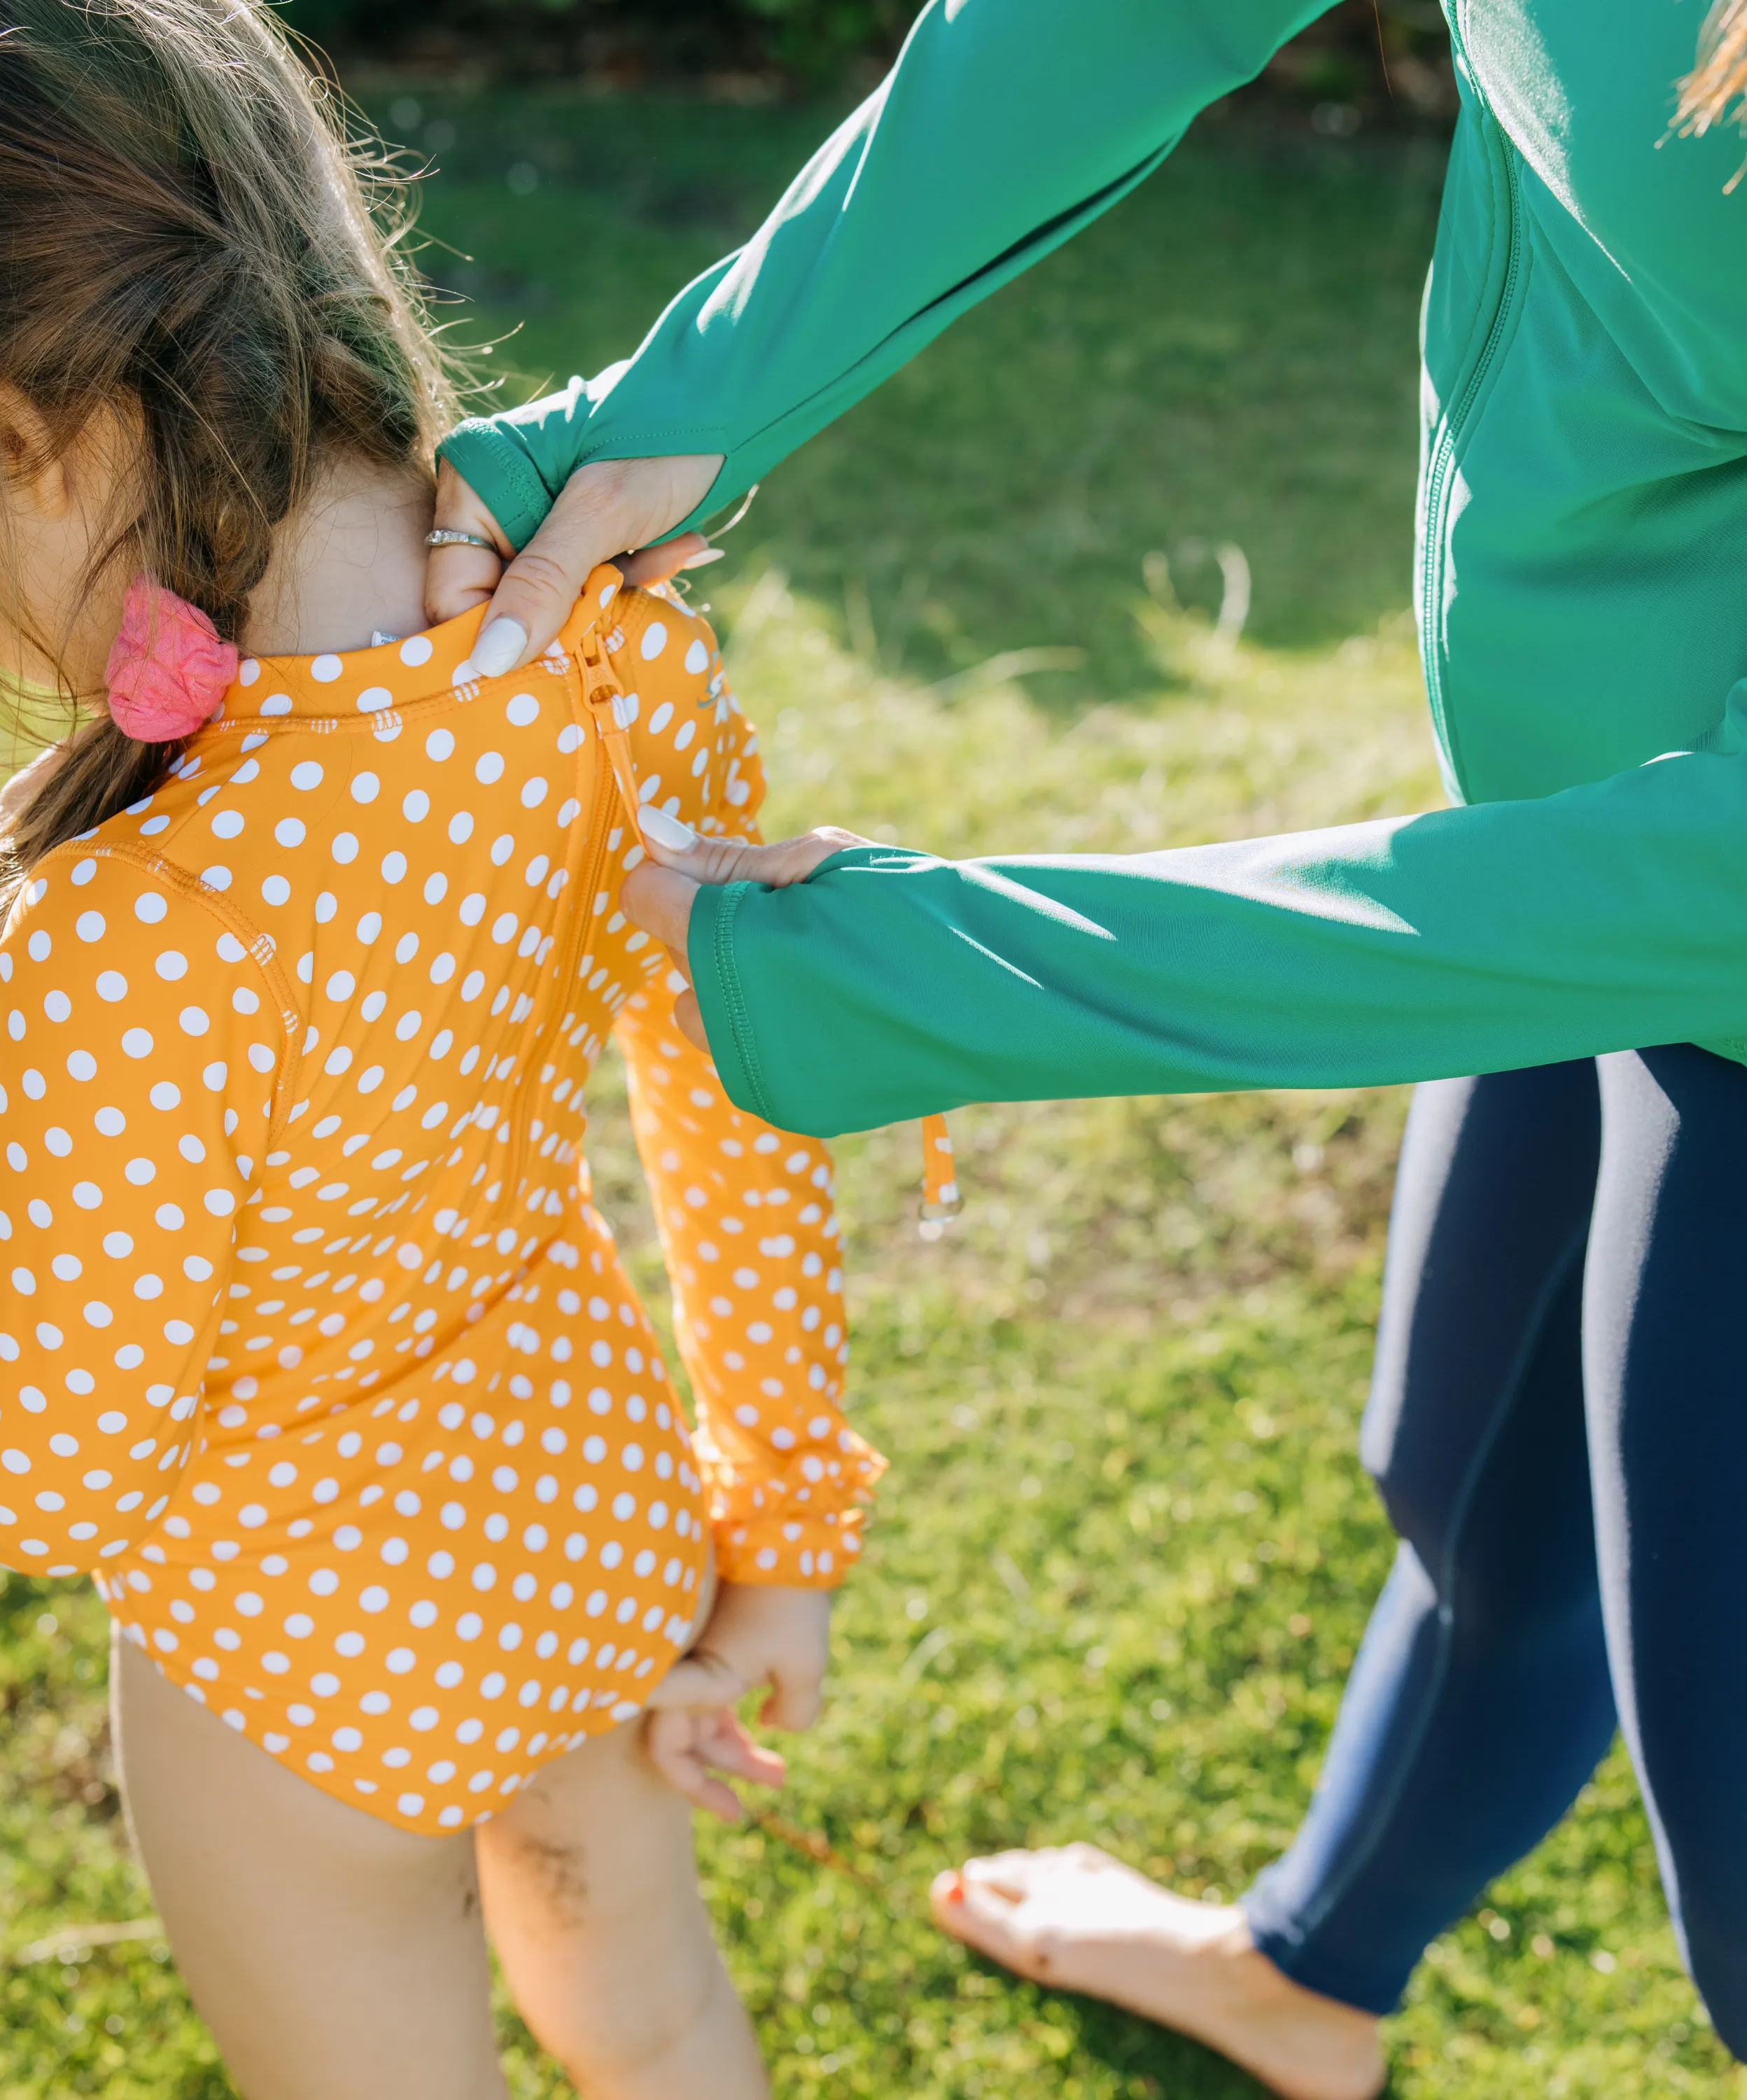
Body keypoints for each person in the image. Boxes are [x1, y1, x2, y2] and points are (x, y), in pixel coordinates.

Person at [425, 1, 1747, 2095]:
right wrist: (697, 395)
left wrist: (933, 969)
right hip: (1573, 882)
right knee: (1473, 1486)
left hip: (1690, 917)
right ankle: (1310, 1978)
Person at [0, 5, 885, 2096]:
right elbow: (738, 1119)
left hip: (288, 1667)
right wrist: (778, 1536)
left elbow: (33, 1472)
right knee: (656, 2008)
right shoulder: (607, 661)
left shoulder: (124, 937)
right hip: (586, 1520)